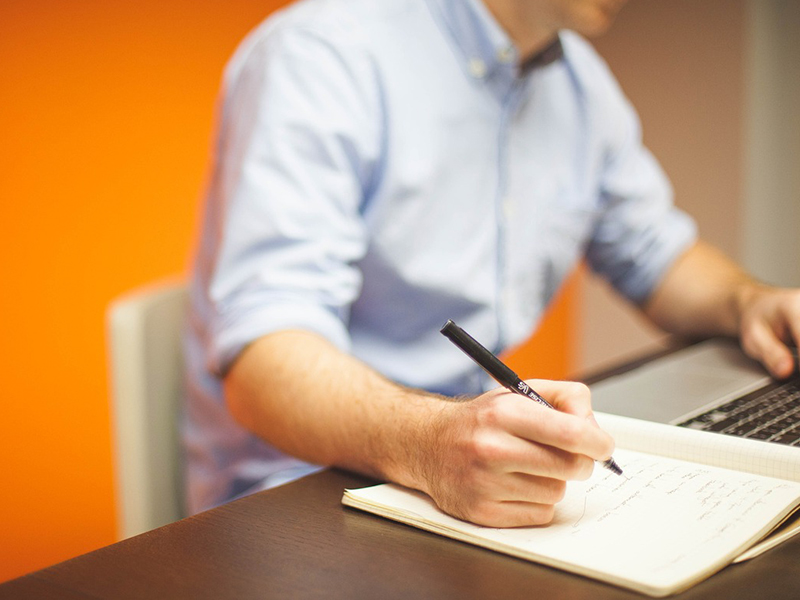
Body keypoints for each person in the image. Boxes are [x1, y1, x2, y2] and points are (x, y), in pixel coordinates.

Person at [183, 0, 800, 526]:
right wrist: (426, 445)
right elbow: (263, 363)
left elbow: (655, 253)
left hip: (461, 471)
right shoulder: (321, 55)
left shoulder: (580, 84)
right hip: (302, 494)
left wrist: (749, 302)